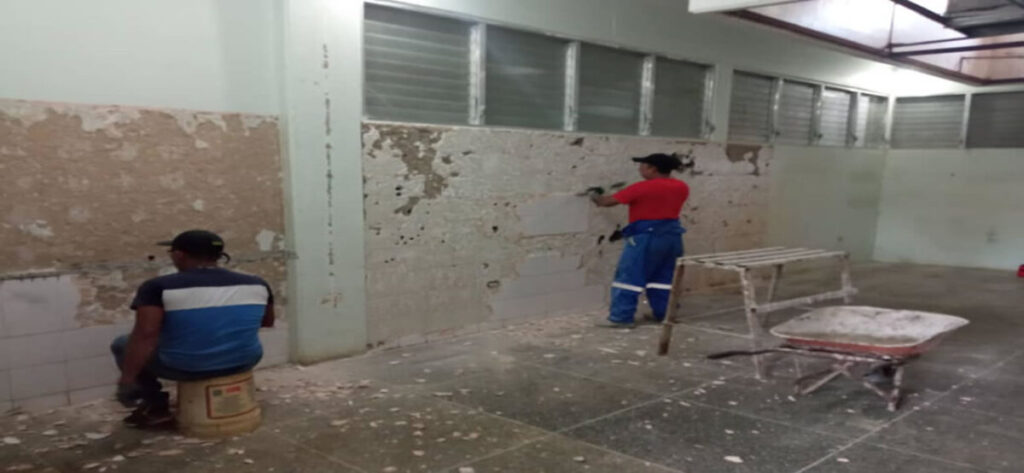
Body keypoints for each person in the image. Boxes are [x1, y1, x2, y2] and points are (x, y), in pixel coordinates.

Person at [111, 230, 275, 427]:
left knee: (122, 343)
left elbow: (146, 335)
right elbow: (267, 322)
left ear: (179, 255)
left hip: (188, 368)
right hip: (244, 361)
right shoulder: (258, 284)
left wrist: (127, 380)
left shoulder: (158, 286)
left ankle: (155, 408)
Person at [589, 153, 690, 328]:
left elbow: (606, 202)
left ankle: (621, 317)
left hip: (646, 238)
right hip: (672, 237)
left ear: (653, 169)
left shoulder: (642, 187)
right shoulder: (681, 186)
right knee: (663, 278)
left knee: (629, 277)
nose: (640, 169)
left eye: (642, 166)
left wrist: (595, 195)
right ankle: (665, 314)